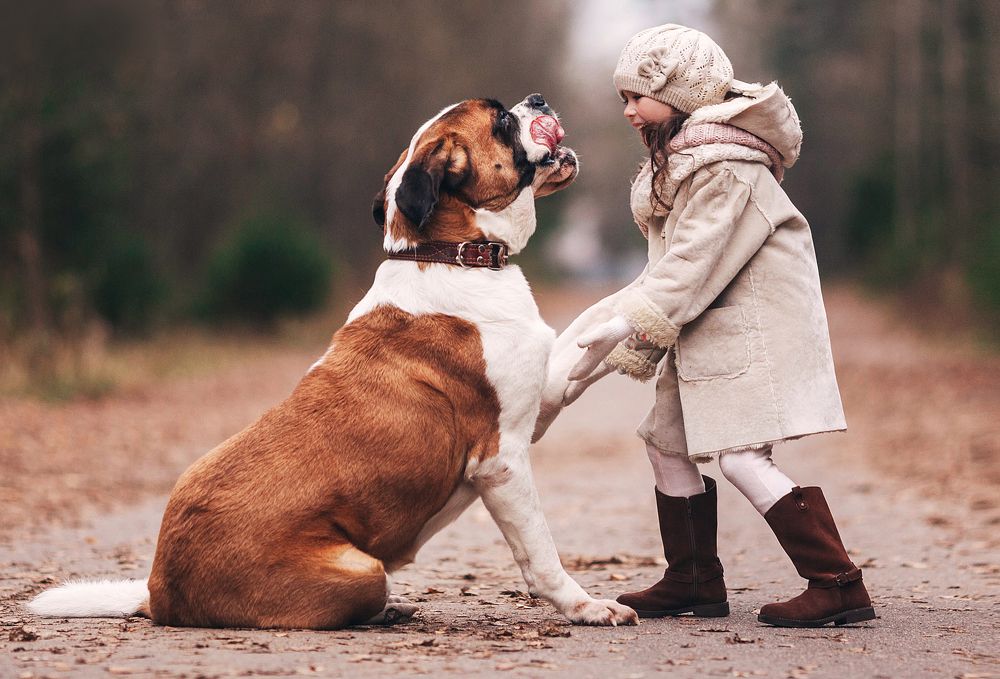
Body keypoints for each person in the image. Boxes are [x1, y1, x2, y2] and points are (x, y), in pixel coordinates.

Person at [532, 24, 875, 628]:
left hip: (750, 333)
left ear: (683, 93)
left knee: (741, 457)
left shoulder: (730, 170)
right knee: (667, 444)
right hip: (701, 330)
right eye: (622, 99)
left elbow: (692, 265)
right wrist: (612, 324)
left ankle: (837, 582)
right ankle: (693, 579)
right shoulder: (692, 163)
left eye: (637, 96)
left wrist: (629, 325)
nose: (628, 111)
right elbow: (670, 271)